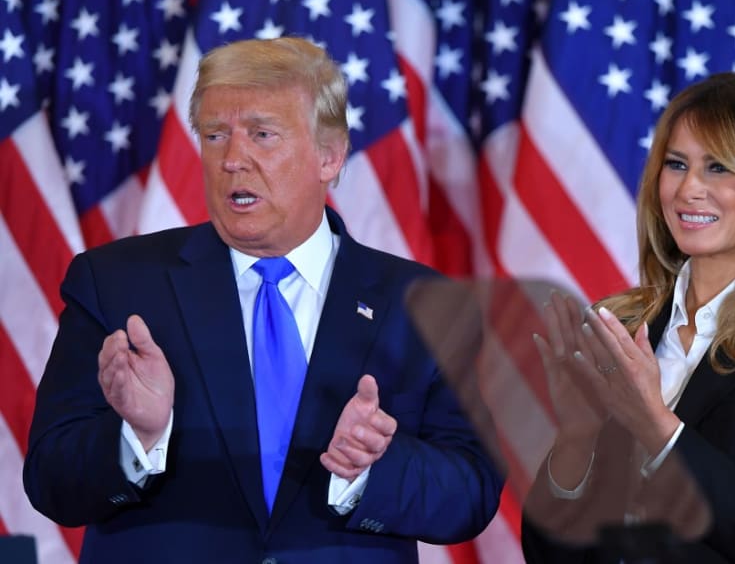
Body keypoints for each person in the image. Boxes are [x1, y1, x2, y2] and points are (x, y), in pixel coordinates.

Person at [23, 37, 502, 564]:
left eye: (262, 135)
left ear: (329, 155)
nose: (232, 160)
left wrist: (371, 468)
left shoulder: (422, 305)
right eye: (214, 135)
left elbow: (472, 492)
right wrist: (137, 436)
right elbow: (49, 479)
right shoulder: (116, 284)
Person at [521, 71, 735, 563]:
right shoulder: (619, 325)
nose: (688, 189)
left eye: (718, 167)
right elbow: (547, 553)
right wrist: (576, 439)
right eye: (677, 164)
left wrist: (660, 428)